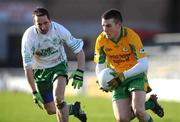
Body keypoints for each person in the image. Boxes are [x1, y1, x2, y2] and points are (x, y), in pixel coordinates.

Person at [94, 9, 164, 122]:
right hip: (117, 78)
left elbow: (144, 63)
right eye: (103, 26)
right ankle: (150, 104)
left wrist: (124, 76)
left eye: (108, 26)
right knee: (122, 119)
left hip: (135, 75)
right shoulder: (101, 40)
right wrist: (101, 79)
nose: (105, 29)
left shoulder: (131, 36)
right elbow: (100, 64)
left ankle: (145, 106)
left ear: (118, 25)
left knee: (139, 111)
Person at [21, 7, 87, 122]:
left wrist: (80, 71)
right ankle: (74, 109)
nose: (43, 27)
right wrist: (34, 92)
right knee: (51, 109)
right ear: (34, 24)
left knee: (58, 100)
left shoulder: (59, 30)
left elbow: (79, 51)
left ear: (50, 21)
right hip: (40, 72)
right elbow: (28, 68)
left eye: (46, 23)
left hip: (58, 66)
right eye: (39, 24)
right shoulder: (28, 38)